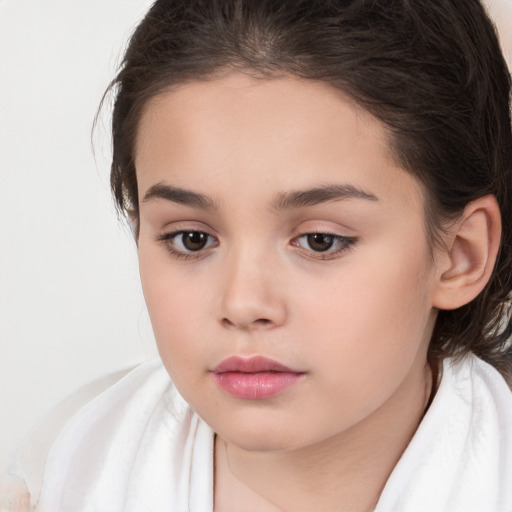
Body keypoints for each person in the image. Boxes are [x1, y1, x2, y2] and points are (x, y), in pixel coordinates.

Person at [3, 0, 512, 511]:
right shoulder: (66, 474)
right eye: (192, 239)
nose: (243, 303)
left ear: (460, 255)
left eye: (320, 241)